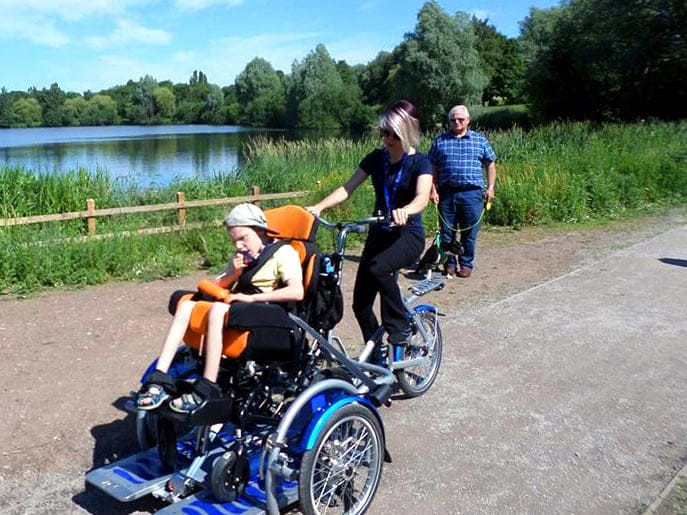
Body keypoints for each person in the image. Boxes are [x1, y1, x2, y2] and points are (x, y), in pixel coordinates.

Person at [136, 203, 304, 413]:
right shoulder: (241, 257)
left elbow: (297, 292)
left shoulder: (284, 252)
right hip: (241, 309)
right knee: (187, 305)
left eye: (243, 238)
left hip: (271, 313)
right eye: (235, 241)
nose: (239, 246)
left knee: (217, 310)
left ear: (260, 231)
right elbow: (219, 286)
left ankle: (208, 387)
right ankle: (159, 379)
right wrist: (233, 274)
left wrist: (250, 300)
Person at [307, 100, 433, 364]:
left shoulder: (420, 163)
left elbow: (422, 197)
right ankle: (375, 355)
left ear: (407, 131)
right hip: (379, 235)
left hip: (407, 234)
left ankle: (399, 326)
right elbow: (346, 188)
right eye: (383, 132)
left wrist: (406, 210)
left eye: (392, 134)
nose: (386, 139)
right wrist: (318, 207)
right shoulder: (377, 159)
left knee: (379, 269)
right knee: (360, 304)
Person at [428, 105, 497, 278]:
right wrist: (432, 189)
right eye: (453, 120)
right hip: (446, 193)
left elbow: (490, 164)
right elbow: (432, 167)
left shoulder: (480, 141)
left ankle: (466, 264)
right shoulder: (440, 141)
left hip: (472, 194)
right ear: (449, 121)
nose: (456, 122)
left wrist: (490, 187)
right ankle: (449, 264)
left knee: (469, 233)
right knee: (447, 233)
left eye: (460, 119)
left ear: (468, 120)